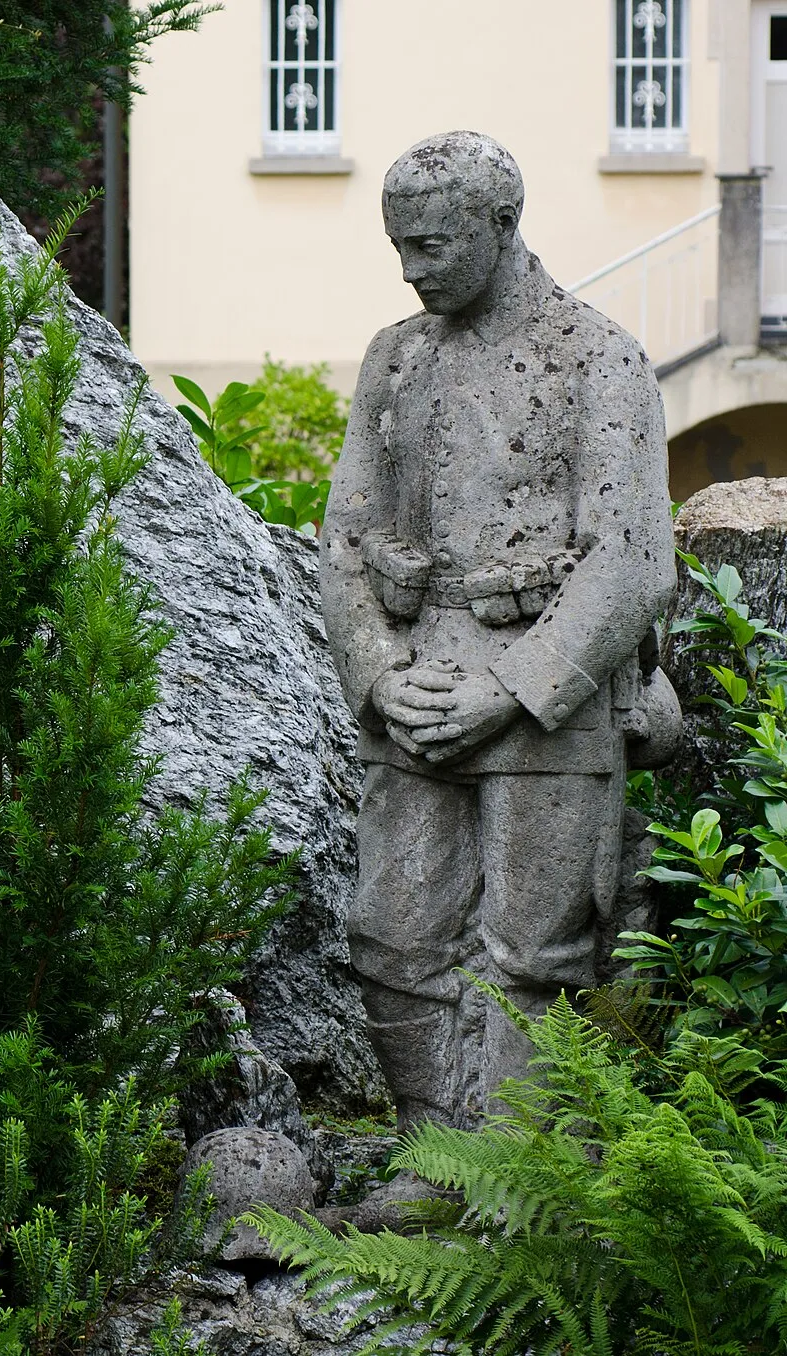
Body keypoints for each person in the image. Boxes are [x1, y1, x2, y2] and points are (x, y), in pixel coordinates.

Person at [320, 131, 676, 1129]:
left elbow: (633, 560)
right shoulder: (393, 359)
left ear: (500, 226)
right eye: (398, 247)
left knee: (534, 954)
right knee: (389, 936)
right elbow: (345, 536)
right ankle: (432, 1156)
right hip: (415, 693)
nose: (410, 269)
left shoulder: (596, 359)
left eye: (430, 245)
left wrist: (509, 688)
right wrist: (377, 676)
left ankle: (520, 1178)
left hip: (545, 705)